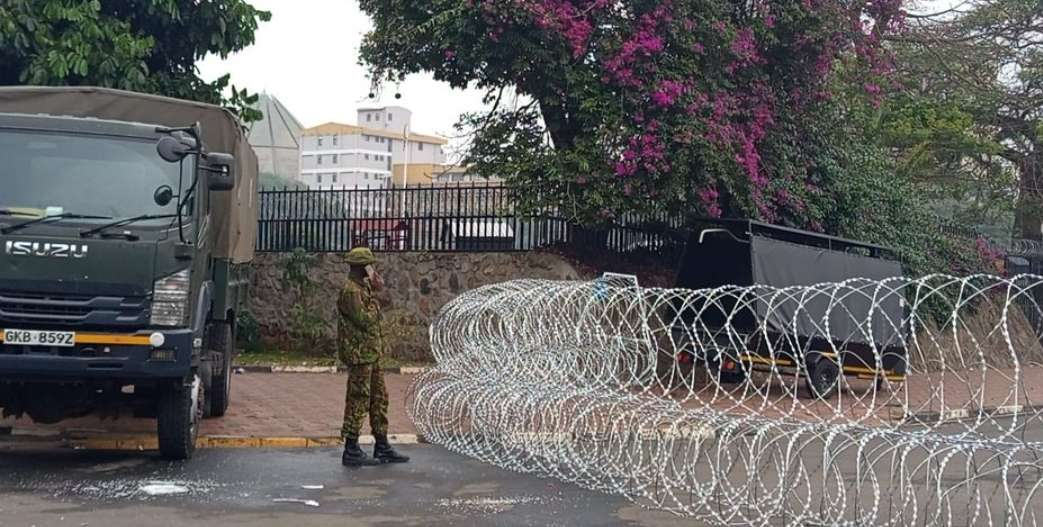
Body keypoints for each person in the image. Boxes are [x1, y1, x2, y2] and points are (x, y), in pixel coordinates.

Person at [337, 247, 410, 466]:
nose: (372, 269)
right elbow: (365, 319)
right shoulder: (351, 291)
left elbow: (380, 307)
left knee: (379, 398)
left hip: (371, 353)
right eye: (369, 265)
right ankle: (351, 448)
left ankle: (382, 445)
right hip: (359, 354)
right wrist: (376, 302)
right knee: (358, 398)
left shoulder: (364, 287)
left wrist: (378, 289)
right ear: (362, 267)